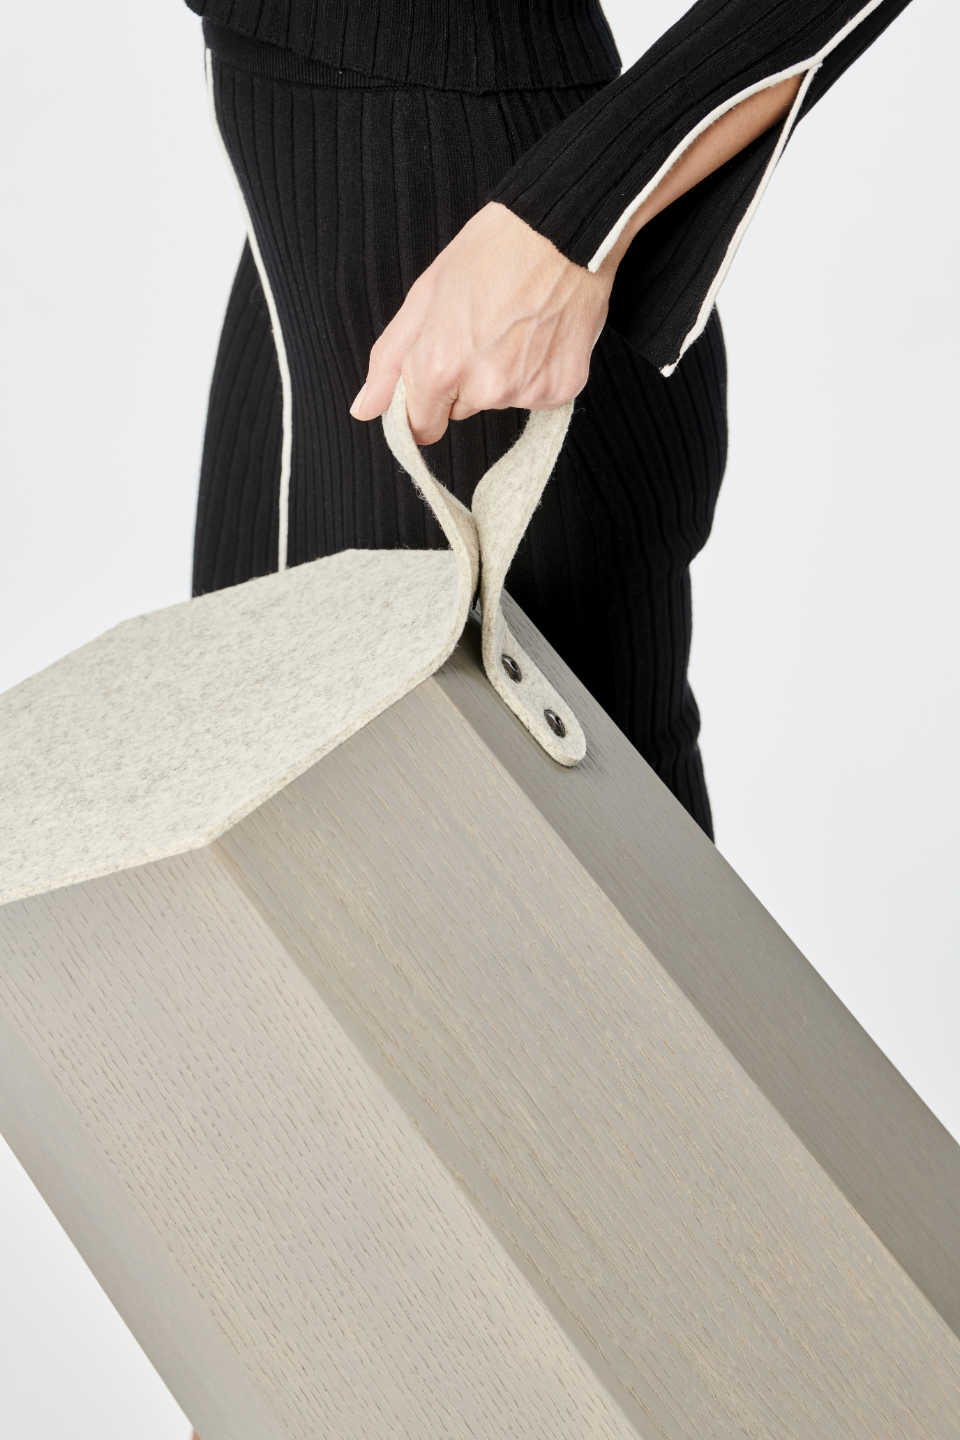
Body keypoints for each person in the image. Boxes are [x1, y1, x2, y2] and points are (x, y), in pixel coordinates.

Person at [186, 0, 915, 850]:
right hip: (300, 260)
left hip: (488, 287)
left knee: (585, 907)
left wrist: (578, 215)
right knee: (267, 884)